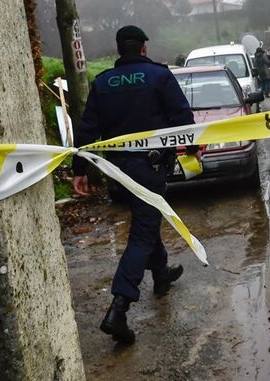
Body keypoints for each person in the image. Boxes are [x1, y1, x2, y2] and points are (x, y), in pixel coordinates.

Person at [72, 25, 196, 345]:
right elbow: (182, 117)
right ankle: (119, 307)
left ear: (119, 50)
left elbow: (87, 130)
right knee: (142, 231)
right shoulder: (159, 76)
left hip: (116, 171)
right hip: (149, 168)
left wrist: (80, 170)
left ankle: (161, 274)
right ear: (143, 48)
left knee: (145, 219)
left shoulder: (102, 83)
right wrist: (194, 149)